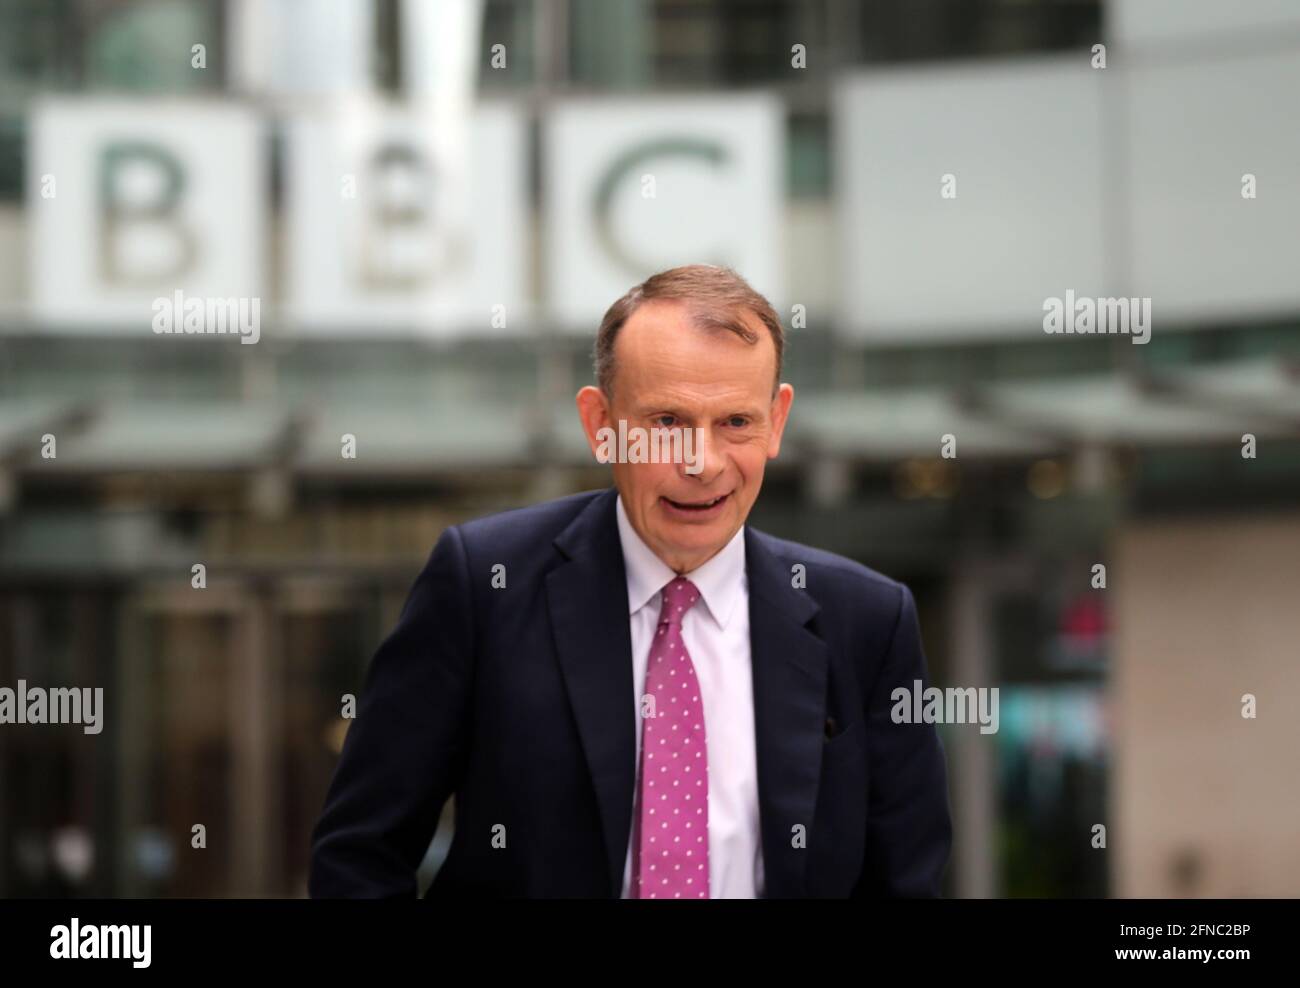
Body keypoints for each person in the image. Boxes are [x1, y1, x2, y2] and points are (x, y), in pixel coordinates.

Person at [309, 264, 951, 898]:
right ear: (600, 425)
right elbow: (360, 857)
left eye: (735, 422)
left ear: (776, 421)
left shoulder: (867, 621)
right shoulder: (484, 585)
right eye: (666, 423)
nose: (701, 464)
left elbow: (906, 879)